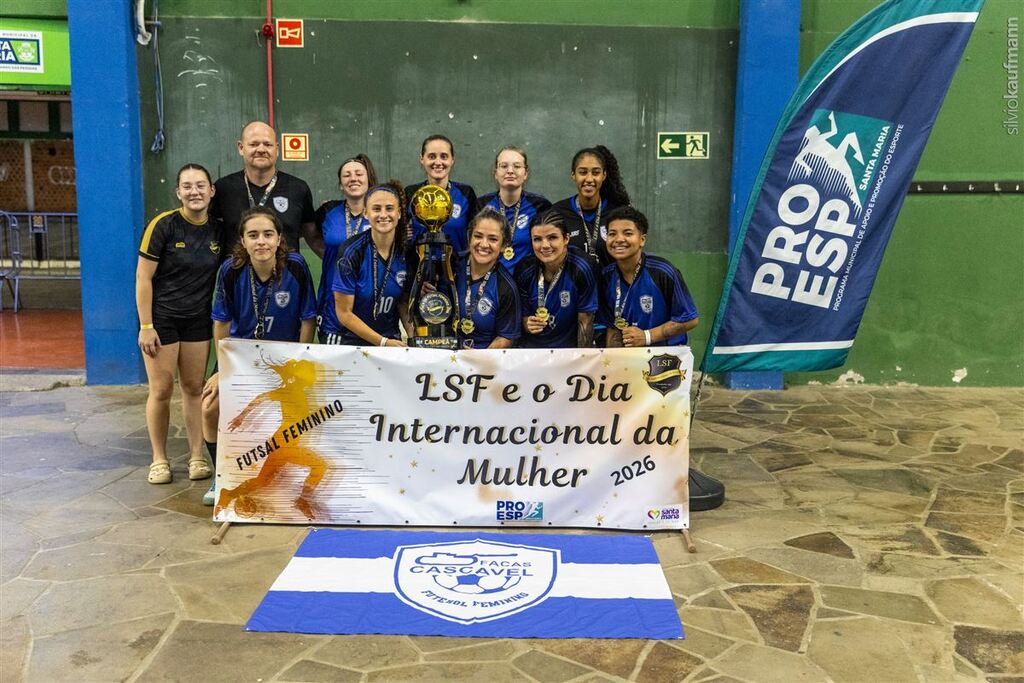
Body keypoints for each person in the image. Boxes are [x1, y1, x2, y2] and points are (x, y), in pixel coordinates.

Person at [200, 207, 317, 504]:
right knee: (210, 406)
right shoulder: (231, 269)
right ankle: (220, 478)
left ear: (279, 239)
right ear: (243, 240)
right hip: (240, 356)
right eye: (253, 235)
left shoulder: (296, 267)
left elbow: (307, 320)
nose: (261, 241)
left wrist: (299, 360)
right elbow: (221, 323)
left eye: (268, 234)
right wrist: (222, 369)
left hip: (283, 360)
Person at [136, 163, 221, 485]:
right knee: (160, 390)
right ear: (178, 192)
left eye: (201, 185)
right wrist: (146, 326)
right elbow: (143, 277)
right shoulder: (163, 225)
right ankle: (159, 459)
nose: (194, 192)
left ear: (211, 191)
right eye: (187, 186)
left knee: (194, 388)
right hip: (162, 320)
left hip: (198, 320)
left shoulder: (217, 229)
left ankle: (197, 455)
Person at [211, 120, 321, 257]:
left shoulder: (298, 188)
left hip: (286, 275)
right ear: (240, 147)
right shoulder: (223, 188)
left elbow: (313, 238)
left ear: (277, 149)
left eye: (268, 144)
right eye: (254, 144)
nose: (261, 150)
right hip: (237, 276)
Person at [599, 206, 699, 348]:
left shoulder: (663, 272)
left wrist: (647, 336)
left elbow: (690, 319)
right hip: (628, 361)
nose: (619, 239)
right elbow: (612, 326)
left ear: (642, 240)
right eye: (612, 234)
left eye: (627, 233)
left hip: (666, 360)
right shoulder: (606, 276)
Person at [333, 181, 415, 347]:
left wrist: (415, 338)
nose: (383, 214)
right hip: (352, 344)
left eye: (389, 208)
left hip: (391, 341)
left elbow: (403, 303)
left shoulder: (406, 253)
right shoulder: (351, 252)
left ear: (399, 213)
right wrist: (382, 342)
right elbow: (344, 313)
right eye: (376, 209)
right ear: (366, 213)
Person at [314, 154, 378, 344]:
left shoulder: (381, 214)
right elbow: (308, 232)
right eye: (347, 175)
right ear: (341, 185)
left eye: (359, 174)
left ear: (368, 180)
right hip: (333, 305)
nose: (353, 178)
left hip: (371, 303)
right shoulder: (327, 212)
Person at [514, 210, 597, 348]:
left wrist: (582, 361)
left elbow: (585, 322)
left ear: (566, 239)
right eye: (537, 239)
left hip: (568, 353)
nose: (545, 245)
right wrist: (527, 323)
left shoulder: (582, 267)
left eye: (552, 237)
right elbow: (521, 317)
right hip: (530, 352)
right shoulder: (524, 269)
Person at [552, 145, 631, 270]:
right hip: (572, 288)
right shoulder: (557, 213)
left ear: (604, 175)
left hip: (610, 288)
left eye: (596, 173)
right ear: (573, 174)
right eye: (583, 172)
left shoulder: (619, 213)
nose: (589, 179)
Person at [453, 207, 521, 349]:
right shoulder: (449, 267)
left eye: (493, 239)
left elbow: (506, 336)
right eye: (478, 236)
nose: (484, 244)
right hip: (444, 358)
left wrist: (478, 359)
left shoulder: (506, 287)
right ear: (469, 237)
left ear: (504, 246)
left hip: (482, 364)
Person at [475, 146, 551, 271]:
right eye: (504, 166)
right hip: (490, 281)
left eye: (517, 166)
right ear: (495, 173)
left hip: (527, 283)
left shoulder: (540, 206)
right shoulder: (481, 205)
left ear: (525, 173)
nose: (510, 171)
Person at [404, 135, 477, 254]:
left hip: (457, 268)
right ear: (422, 159)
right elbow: (398, 232)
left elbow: (476, 233)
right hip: (418, 268)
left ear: (452, 159)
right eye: (431, 156)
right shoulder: (411, 193)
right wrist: (401, 233)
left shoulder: (466, 193)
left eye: (444, 156)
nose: (438, 162)